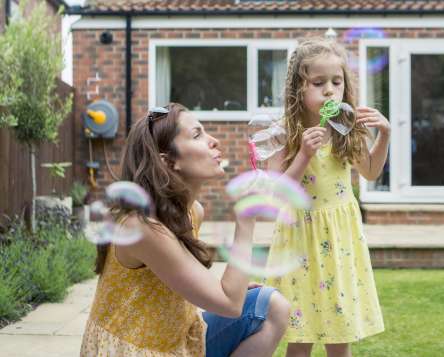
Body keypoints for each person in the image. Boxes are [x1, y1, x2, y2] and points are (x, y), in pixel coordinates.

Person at [80, 103, 289, 356]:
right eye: (197, 134)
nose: (213, 141)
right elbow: (229, 304)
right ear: (169, 161)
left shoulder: (193, 211)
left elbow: (180, 276)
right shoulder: (144, 228)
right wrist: (246, 219)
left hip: (176, 340)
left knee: (271, 306)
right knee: (244, 304)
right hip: (136, 351)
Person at [266, 37, 390, 357]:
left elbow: (371, 171)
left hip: (339, 239)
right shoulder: (283, 133)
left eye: (337, 81)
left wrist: (385, 134)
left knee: (339, 333)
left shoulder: (344, 128)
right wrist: (304, 154)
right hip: (300, 239)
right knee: (301, 333)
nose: (330, 90)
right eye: (318, 82)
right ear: (298, 89)